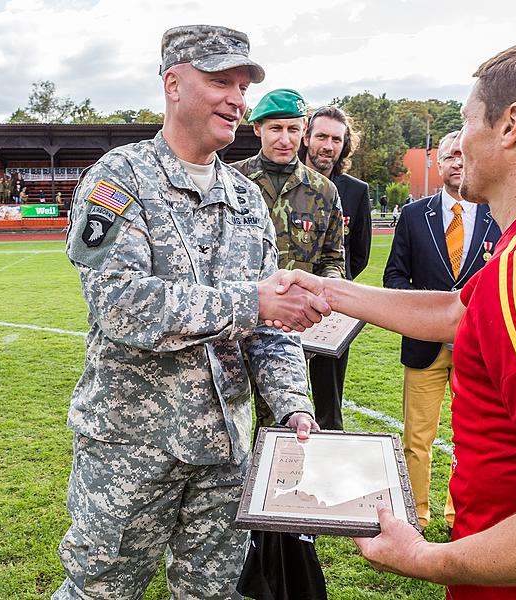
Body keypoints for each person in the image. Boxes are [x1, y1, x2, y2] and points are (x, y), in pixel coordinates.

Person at [270, 39, 516, 598]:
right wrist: (328, 289)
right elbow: (457, 311)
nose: (459, 143)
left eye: (466, 120)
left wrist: (426, 558)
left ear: (511, 125)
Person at [53, 25, 325, 600]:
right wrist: (250, 302)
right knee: (100, 591)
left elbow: (270, 329)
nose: (237, 97)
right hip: (132, 449)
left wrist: (293, 401)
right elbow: (120, 306)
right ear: (174, 84)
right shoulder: (118, 178)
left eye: (243, 84)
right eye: (220, 81)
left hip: (224, 450)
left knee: (216, 591)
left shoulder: (245, 197)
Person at [383, 130, 500, 530]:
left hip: (477, 348)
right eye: (450, 156)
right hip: (424, 345)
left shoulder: (498, 215)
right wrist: (431, 311)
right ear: (438, 163)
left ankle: (459, 516)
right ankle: (415, 515)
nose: (457, 163)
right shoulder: (415, 215)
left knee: (472, 440)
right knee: (417, 439)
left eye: (464, 156)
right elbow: (394, 277)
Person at [231, 88, 345, 431]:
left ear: (304, 131)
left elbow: (332, 258)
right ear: (257, 129)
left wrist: (331, 286)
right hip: (236, 323)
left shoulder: (323, 191)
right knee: (226, 423)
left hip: (292, 331)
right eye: (275, 128)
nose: (285, 139)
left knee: (282, 426)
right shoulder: (229, 182)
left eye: (293, 129)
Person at [298, 104, 372, 430]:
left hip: (331, 311)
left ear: (345, 145)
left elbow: (359, 255)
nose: (328, 146)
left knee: (329, 403)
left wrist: (329, 287)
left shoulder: (355, 191)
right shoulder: (281, 182)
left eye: (337, 140)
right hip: (284, 305)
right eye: (322, 136)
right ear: (307, 137)